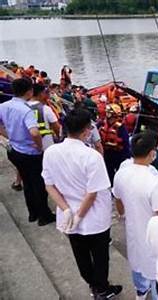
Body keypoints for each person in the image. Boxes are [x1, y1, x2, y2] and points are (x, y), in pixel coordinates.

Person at [42, 108, 122, 299]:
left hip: (68, 218)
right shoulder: (92, 156)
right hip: (94, 219)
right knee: (100, 256)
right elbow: (92, 193)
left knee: (81, 255)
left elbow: (49, 186)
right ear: (87, 130)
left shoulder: (51, 152)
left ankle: (92, 284)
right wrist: (79, 215)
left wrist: (66, 209)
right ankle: (101, 289)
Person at [113, 131, 158, 300]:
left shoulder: (121, 173)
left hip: (133, 230)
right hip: (153, 236)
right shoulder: (155, 182)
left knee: (137, 263)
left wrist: (124, 214)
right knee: (156, 271)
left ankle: (140, 291)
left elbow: (118, 199)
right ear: (152, 152)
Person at [0, 78, 55, 225]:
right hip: (29, 152)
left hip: (14, 150)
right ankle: (44, 216)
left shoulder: (4, 106)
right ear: (29, 91)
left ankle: (33, 213)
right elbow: (35, 133)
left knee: (27, 182)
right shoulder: (26, 110)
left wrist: (9, 136)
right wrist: (38, 146)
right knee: (38, 184)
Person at [99, 104, 130, 183]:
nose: (107, 114)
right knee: (108, 172)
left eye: (109, 112)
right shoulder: (102, 123)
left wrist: (127, 157)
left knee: (119, 174)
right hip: (107, 153)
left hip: (118, 154)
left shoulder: (121, 127)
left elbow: (125, 142)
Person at [27, 84, 61, 151]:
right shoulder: (45, 109)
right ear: (41, 94)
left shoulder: (22, 106)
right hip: (46, 146)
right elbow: (57, 127)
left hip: (27, 146)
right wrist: (59, 138)